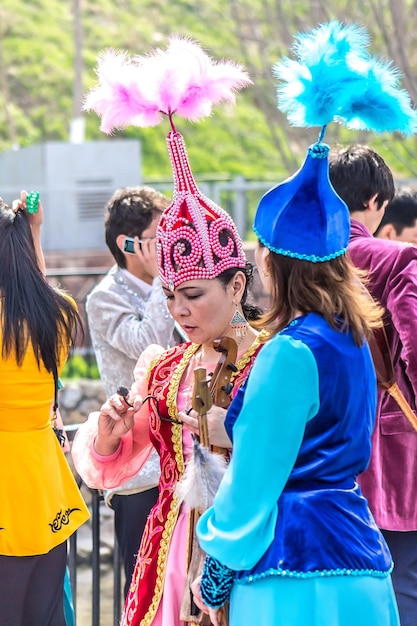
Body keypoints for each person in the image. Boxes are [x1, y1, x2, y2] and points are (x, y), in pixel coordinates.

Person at [192, 21, 407, 626]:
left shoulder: (290, 352)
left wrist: (213, 577)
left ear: (272, 265)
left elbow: (255, 480)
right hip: (361, 565)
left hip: (293, 575)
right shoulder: (354, 340)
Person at [72, 35, 259, 626]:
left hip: (255, 552)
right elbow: (124, 462)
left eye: (194, 294)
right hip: (171, 556)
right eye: (172, 294)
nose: (179, 310)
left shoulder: (276, 359)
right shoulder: (164, 366)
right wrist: (108, 438)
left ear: (237, 287)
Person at [329, 144, 417, 626]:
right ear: (378, 200)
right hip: (393, 451)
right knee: (403, 580)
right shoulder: (397, 260)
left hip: (322, 448)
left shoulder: (303, 263)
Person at [85, 185, 183, 596]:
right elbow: (150, 344)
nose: (169, 244)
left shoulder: (170, 289)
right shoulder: (104, 297)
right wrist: (165, 277)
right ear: (129, 244)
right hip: (136, 471)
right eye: (159, 236)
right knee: (142, 592)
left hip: (177, 462)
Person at [0, 191, 89, 626]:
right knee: (46, 613)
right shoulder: (57, 314)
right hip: (45, 484)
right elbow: (36, 290)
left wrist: (28, 230)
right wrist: (33, 230)